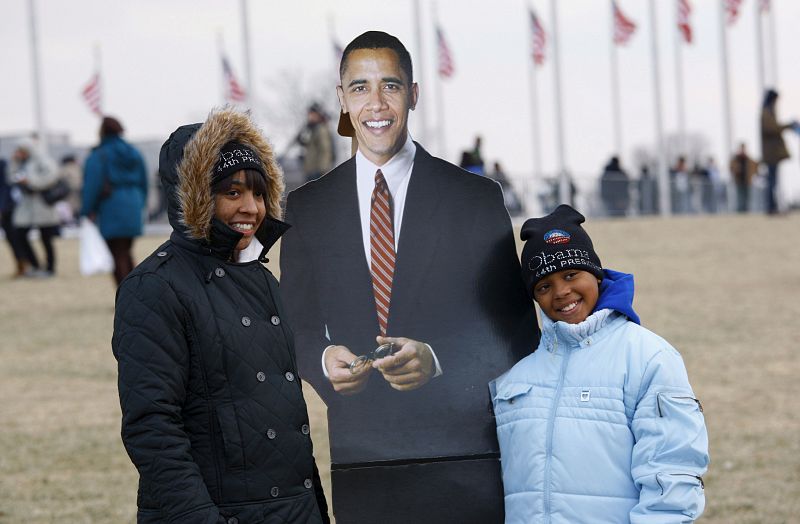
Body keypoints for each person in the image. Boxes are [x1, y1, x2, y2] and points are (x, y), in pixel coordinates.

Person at [280, 31, 538, 523]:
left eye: (390, 86)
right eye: (359, 88)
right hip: (364, 457)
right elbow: (296, 326)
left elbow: (516, 331)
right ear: (341, 98)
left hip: (462, 453)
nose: (375, 103)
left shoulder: (474, 198)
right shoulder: (308, 208)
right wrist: (322, 359)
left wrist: (438, 359)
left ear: (413, 94)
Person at [111, 108, 329, 523]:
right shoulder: (154, 288)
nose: (252, 208)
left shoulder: (263, 280)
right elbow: (152, 427)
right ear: (193, 196)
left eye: (259, 193)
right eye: (232, 193)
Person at [491, 204, 709, 523]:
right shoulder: (516, 370)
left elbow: (672, 471)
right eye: (544, 286)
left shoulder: (648, 357)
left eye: (570, 275)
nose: (562, 292)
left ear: (594, 272)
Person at [81, 117, 148, 286]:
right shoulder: (134, 152)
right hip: (133, 203)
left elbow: (92, 185)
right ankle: (137, 291)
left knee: (117, 254)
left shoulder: (99, 155)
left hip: (111, 206)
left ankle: (126, 294)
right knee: (125, 252)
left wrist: (87, 209)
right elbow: (144, 181)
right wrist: (141, 203)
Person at [9, 140, 60, 277]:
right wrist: (14, 162)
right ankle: (35, 265)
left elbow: (51, 177)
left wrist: (30, 181)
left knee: (46, 237)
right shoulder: (20, 162)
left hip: (42, 203)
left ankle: (50, 268)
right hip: (26, 204)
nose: (20, 153)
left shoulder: (43, 160)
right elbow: (10, 177)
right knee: (20, 233)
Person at [760, 89, 795, 215]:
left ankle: (773, 206)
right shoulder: (766, 113)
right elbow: (771, 129)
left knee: (773, 181)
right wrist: (787, 126)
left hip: (773, 153)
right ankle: (771, 207)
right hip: (771, 154)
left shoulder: (769, 112)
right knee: (771, 181)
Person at [0, 153, 29, 277]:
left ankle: (22, 263)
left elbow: (4, 187)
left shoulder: (3, 164)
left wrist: (2, 208)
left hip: (6, 208)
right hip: (6, 206)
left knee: (13, 237)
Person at [296, 102, 335, 182]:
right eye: (309, 114)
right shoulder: (312, 129)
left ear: (318, 115)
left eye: (312, 114)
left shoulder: (321, 129)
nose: (310, 117)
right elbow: (307, 144)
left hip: (318, 173)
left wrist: (322, 171)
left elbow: (325, 150)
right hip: (311, 171)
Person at [730, 143, 758, 213]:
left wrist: (753, 174)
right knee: (740, 196)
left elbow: (755, 167)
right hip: (739, 180)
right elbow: (731, 167)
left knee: (747, 196)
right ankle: (740, 210)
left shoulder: (749, 159)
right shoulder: (736, 159)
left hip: (747, 180)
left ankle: (746, 210)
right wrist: (737, 170)